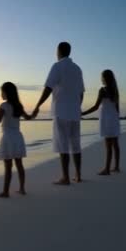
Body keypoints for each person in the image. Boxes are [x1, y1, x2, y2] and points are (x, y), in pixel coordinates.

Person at [32, 42, 85, 185]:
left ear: (59, 51)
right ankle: (78, 175)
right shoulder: (77, 69)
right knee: (75, 145)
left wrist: (38, 105)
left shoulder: (57, 66)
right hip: (74, 112)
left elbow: (48, 88)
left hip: (61, 111)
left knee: (63, 146)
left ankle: (66, 177)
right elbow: (81, 92)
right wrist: (77, 107)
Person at [82, 69, 121, 175]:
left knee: (108, 145)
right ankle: (116, 167)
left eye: (102, 77)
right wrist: (117, 119)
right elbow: (117, 108)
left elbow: (95, 107)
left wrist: (82, 113)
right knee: (115, 144)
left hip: (106, 118)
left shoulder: (102, 90)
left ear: (104, 78)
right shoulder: (115, 90)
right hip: (114, 118)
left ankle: (107, 169)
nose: (101, 79)